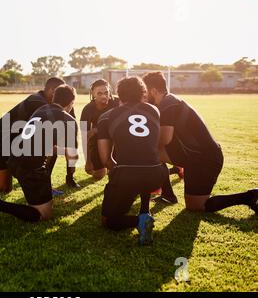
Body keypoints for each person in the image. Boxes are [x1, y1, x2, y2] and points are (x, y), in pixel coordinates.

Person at [142, 71, 257, 213]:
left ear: (153, 90)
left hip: (205, 159)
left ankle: (249, 196)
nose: (144, 96)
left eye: (145, 92)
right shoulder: (168, 101)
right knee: (152, 152)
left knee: (197, 206)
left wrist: (139, 141)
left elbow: (165, 139)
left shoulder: (168, 104)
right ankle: (167, 195)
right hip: (193, 157)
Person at [0, 77, 78, 192]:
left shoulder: (52, 104)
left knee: (50, 147)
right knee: (4, 188)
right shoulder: (37, 102)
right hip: (0, 142)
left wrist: (70, 175)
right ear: (52, 90)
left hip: (16, 144)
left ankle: (43, 184)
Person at [0, 85, 79, 225]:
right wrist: (71, 170)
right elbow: (72, 157)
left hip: (14, 158)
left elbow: (41, 141)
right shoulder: (68, 119)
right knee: (44, 214)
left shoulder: (41, 110)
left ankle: (28, 199)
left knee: (40, 201)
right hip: (30, 167)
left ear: (54, 97)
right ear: (71, 103)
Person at [97, 76, 167, 245]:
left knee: (108, 220)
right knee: (143, 162)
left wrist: (119, 171)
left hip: (127, 175)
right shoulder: (154, 110)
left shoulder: (106, 117)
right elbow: (156, 145)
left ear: (119, 95)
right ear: (143, 92)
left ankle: (139, 221)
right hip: (157, 175)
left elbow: (105, 158)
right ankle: (145, 210)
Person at [80, 79, 119, 181]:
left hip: (117, 140)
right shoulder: (87, 109)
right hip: (98, 142)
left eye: (106, 92)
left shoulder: (117, 103)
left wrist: (98, 129)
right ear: (93, 94)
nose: (104, 96)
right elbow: (84, 137)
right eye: (99, 93)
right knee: (98, 175)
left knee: (115, 171)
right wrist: (88, 161)